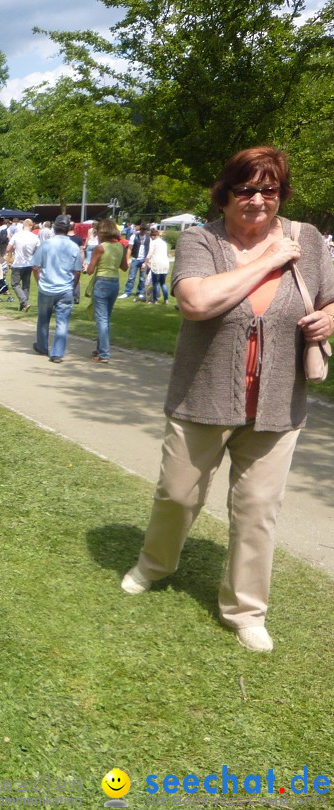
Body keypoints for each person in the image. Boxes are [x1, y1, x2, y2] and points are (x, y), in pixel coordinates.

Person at [120, 146, 334, 653]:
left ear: (281, 194)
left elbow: (329, 298)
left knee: (258, 508)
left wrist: (331, 320)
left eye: (270, 189)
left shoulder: (307, 239)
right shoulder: (201, 239)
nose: (258, 200)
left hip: (279, 401)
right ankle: (155, 563)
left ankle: (246, 609)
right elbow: (195, 302)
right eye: (246, 189)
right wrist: (271, 260)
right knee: (178, 495)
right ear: (226, 193)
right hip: (204, 394)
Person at [31, 215, 84, 363]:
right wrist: (72, 286)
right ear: (68, 229)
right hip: (65, 288)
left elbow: (35, 267)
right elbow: (78, 271)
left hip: (46, 287)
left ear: (54, 228)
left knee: (43, 319)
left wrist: (39, 282)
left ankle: (42, 346)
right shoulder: (74, 246)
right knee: (62, 322)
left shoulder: (46, 244)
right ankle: (57, 353)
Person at [84, 218, 128, 363]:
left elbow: (90, 270)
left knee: (101, 320)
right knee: (106, 318)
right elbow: (124, 267)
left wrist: (88, 266)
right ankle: (100, 348)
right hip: (114, 283)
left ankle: (104, 354)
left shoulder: (100, 247)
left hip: (102, 282)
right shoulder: (121, 246)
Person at [7, 219, 40, 313]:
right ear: (31, 226)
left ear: (23, 225)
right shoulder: (35, 237)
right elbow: (39, 250)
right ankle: (23, 306)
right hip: (29, 263)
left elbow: (8, 248)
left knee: (15, 284)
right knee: (26, 285)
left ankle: (24, 302)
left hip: (18, 263)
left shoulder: (17, 235)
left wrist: (14, 249)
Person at [121, 224, 151, 300]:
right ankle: (127, 292)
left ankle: (140, 292)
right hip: (135, 259)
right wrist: (127, 259)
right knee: (131, 277)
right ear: (140, 229)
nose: (143, 231)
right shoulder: (134, 236)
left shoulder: (148, 238)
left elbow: (150, 250)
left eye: (144, 230)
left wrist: (148, 261)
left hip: (144, 260)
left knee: (142, 278)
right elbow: (129, 249)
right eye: (142, 230)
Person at [143, 227, 171, 303]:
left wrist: (145, 262)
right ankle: (166, 299)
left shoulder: (153, 242)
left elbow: (150, 253)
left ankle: (155, 300)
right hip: (165, 263)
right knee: (163, 283)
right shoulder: (164, 243)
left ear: (153, 236)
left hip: (157, 263)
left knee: (155, 283)